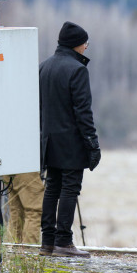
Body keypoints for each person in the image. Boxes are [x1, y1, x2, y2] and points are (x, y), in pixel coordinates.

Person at [39, 21, 101, 258]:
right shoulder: (77, 70)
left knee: (52, 188)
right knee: (70, 188)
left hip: (48, 140)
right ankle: (64, 241)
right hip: (71, 142)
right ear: (77, 45)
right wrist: (92, 144)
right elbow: (83, 112)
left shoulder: (44, 67)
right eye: (85, 43)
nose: (86, 47)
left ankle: (47, 242)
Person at [4, 172, 45, 244]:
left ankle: (13, 248)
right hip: (27, 170)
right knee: (33, 212)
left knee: (16, 211)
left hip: (8, 169)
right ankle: (29, 249)